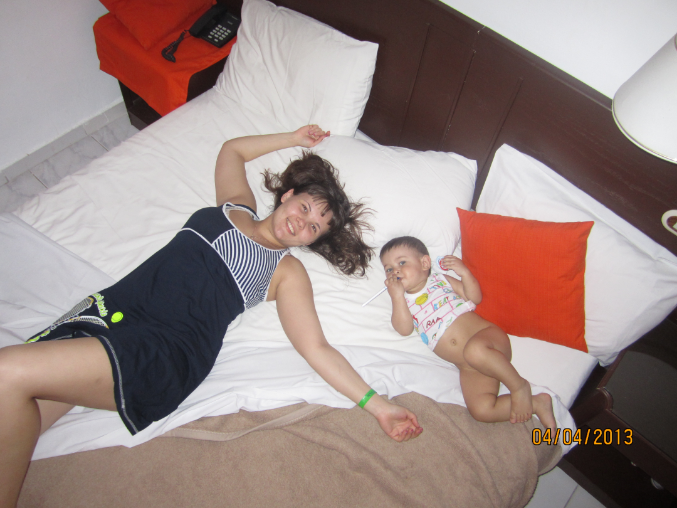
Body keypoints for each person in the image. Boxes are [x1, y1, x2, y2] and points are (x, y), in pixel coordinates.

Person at [0, 125, 423, 507]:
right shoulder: (235, 207)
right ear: (288, 195)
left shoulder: (285, 272)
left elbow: (316, 348)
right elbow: (231, 150)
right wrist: (294, 139)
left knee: (8, 371)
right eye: (306, 208)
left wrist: (378, 406)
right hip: (114, 314)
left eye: (314, 228)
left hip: (164, 351)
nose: (302, 224)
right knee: (20, 406)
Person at [380, 236, 556, 431]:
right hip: (470, 368)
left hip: (489, 341)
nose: (395, 271)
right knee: (481, 411)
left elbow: (475, 297)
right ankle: (538, 403)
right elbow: (404, 329)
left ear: (424, 263)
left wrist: (464, 273)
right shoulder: (403, 303)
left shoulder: (440, 281)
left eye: (402, 263)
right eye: (388, 269)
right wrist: (397, 297)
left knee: (474, 351)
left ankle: (519, 386)